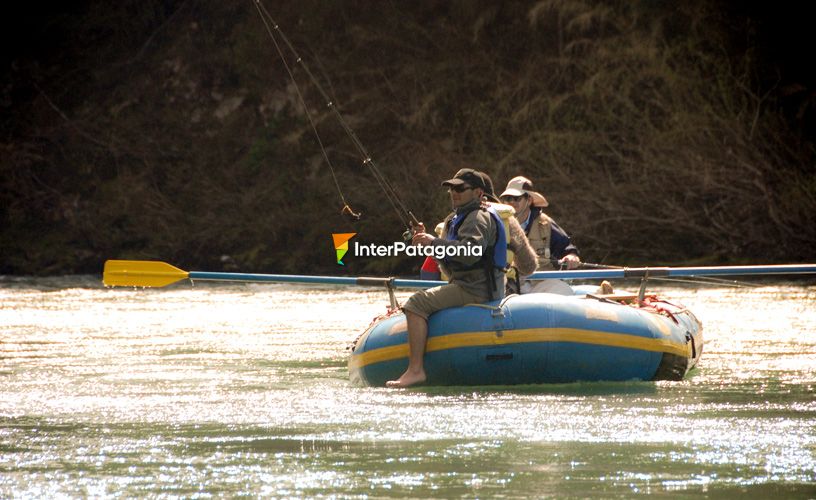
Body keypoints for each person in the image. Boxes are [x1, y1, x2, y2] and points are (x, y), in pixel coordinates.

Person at [387, 168, 507, 388]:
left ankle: (415, 371)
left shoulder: (477, 218)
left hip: (476, 289)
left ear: (479, 193)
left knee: (415, 304)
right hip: (467, 284)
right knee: (423, 300)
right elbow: (451, 263)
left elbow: (470, 255)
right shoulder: (456, 219)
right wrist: (429, 243)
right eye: (451, 188)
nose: (454, 192)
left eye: (461, 188)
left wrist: (433, 242)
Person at [419, 171, 537, 285]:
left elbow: (445, 270)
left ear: (477, 193)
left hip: (460, 288)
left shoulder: (451, 221)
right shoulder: (508, 219)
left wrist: (430, 243)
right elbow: (529, 267)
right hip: (501, 290)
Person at [500, 176, 581, 295]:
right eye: (507, 198)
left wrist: (571, 256)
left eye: (516, 198)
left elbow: (566, 247)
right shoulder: (498, 222)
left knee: (564, 291)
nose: (511, 202)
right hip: (509, 285)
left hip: (540, 283)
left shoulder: (545, 223)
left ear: (529, 200)